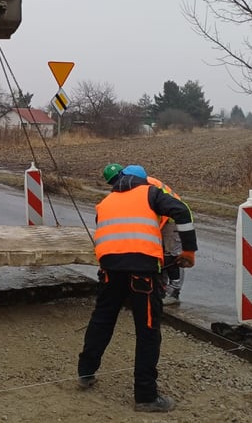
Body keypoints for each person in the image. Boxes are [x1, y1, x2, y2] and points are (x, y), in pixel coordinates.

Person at [77, 162, 197, 413]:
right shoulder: (151, 193)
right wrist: (188, 251)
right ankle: (145, 396)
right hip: (143, 273)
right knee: (147, 331)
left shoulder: (105, 203)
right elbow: (182, 211)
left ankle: (86, 372)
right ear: (143, 181)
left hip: (109, 270)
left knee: (102, 320)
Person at [122, 165, 189, 306]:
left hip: (173, 220)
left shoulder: (148, 186)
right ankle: (161, 289)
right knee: (161, 255)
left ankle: (174, 291)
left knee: (172, 256)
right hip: (165, 221)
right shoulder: (141, 185)